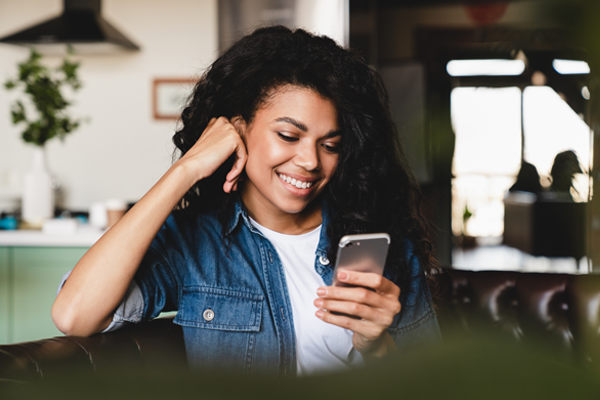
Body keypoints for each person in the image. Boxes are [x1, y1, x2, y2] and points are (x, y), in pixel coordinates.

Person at [52, 26, 441, 375]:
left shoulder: (380, 244)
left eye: (330, 145)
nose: (310, 161)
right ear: (238, 129)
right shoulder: (196, 243)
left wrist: (375, 347)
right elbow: (74, 315)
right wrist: (186, 170)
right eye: (289, 136)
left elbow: (432, 383)